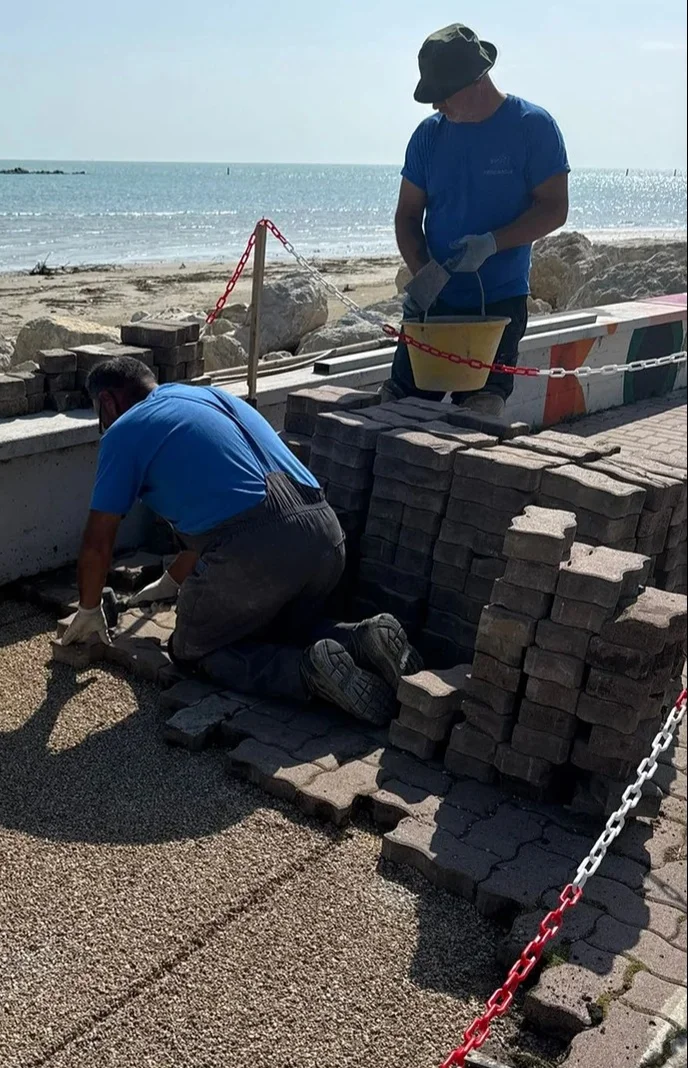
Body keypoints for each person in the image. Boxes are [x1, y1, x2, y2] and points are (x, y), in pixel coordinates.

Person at [58, 357, 422, 725]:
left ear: (107, 402)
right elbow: (224, 514)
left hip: (261, 554)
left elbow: (98, 541)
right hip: (326, 536)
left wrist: (88, 610)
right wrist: (170, 582)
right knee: (267, 628)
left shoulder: (125, 430)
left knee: (193, 649)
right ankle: (361, 639)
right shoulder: (211, 398)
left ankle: (305, 672)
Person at [385, 23, 570, 416]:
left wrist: (493, 243)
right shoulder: (428, 136)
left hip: (498, 303)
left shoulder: (532, 127)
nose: (437, 107)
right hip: (434, 303)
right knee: (399, 408)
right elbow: (406, 215)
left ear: (477, 81)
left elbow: (555, 208)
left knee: (479, 416)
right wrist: (423, 273)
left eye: (442, 96)